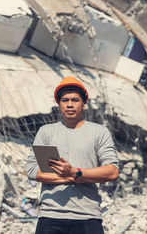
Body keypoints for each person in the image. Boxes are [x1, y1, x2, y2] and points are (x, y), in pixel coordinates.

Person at [26, 76, 119, 234]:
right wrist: (68, 176)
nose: (69, 104)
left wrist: (75, 172)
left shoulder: (99, 132)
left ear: (84, 103)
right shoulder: (47, 132)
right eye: (65, 100)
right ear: (59, 103)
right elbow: (32, 170)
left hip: (88, 216)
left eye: (75, 100)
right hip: (51, 216)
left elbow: (112, 171)